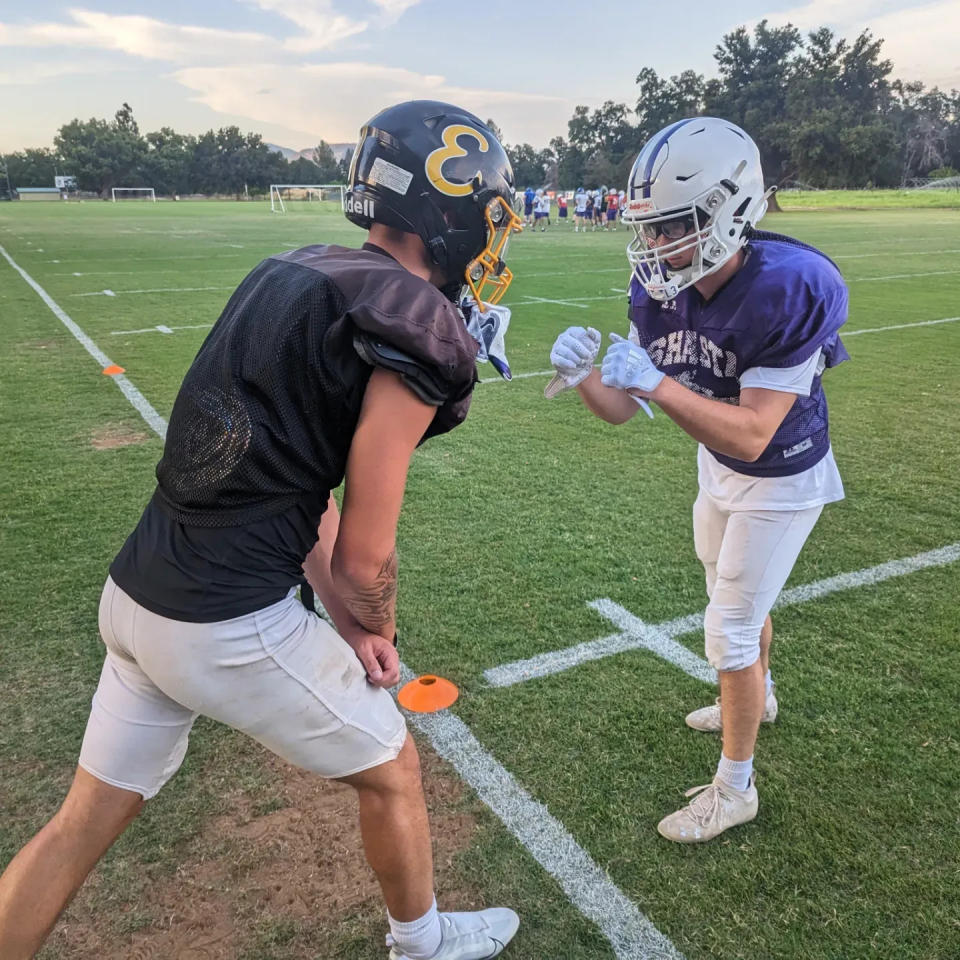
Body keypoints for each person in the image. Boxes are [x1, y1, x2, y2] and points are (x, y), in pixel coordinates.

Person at [0, 100, 523, 960]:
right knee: (392, 769)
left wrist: (346, 621)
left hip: (135, 595)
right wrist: (375, 624)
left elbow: (294, 483)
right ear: (454, 211)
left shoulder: (294, 268)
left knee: (78, 823)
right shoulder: (415, 324)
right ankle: (423, 942)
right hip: (223, 620)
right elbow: (365, 547)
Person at [547, 117, 848, 844]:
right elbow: (621, 411)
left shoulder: (789, 286)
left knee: (730, 629)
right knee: (726, 588)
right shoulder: (658, 293)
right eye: (649, 228)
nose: (655, 245)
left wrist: (654, 379)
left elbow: (753, 431)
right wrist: (584, 375)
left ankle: (735, 788)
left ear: (728, 210)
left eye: (673, 226)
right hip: (719, 466)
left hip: (780, 476)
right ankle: (760, 697)